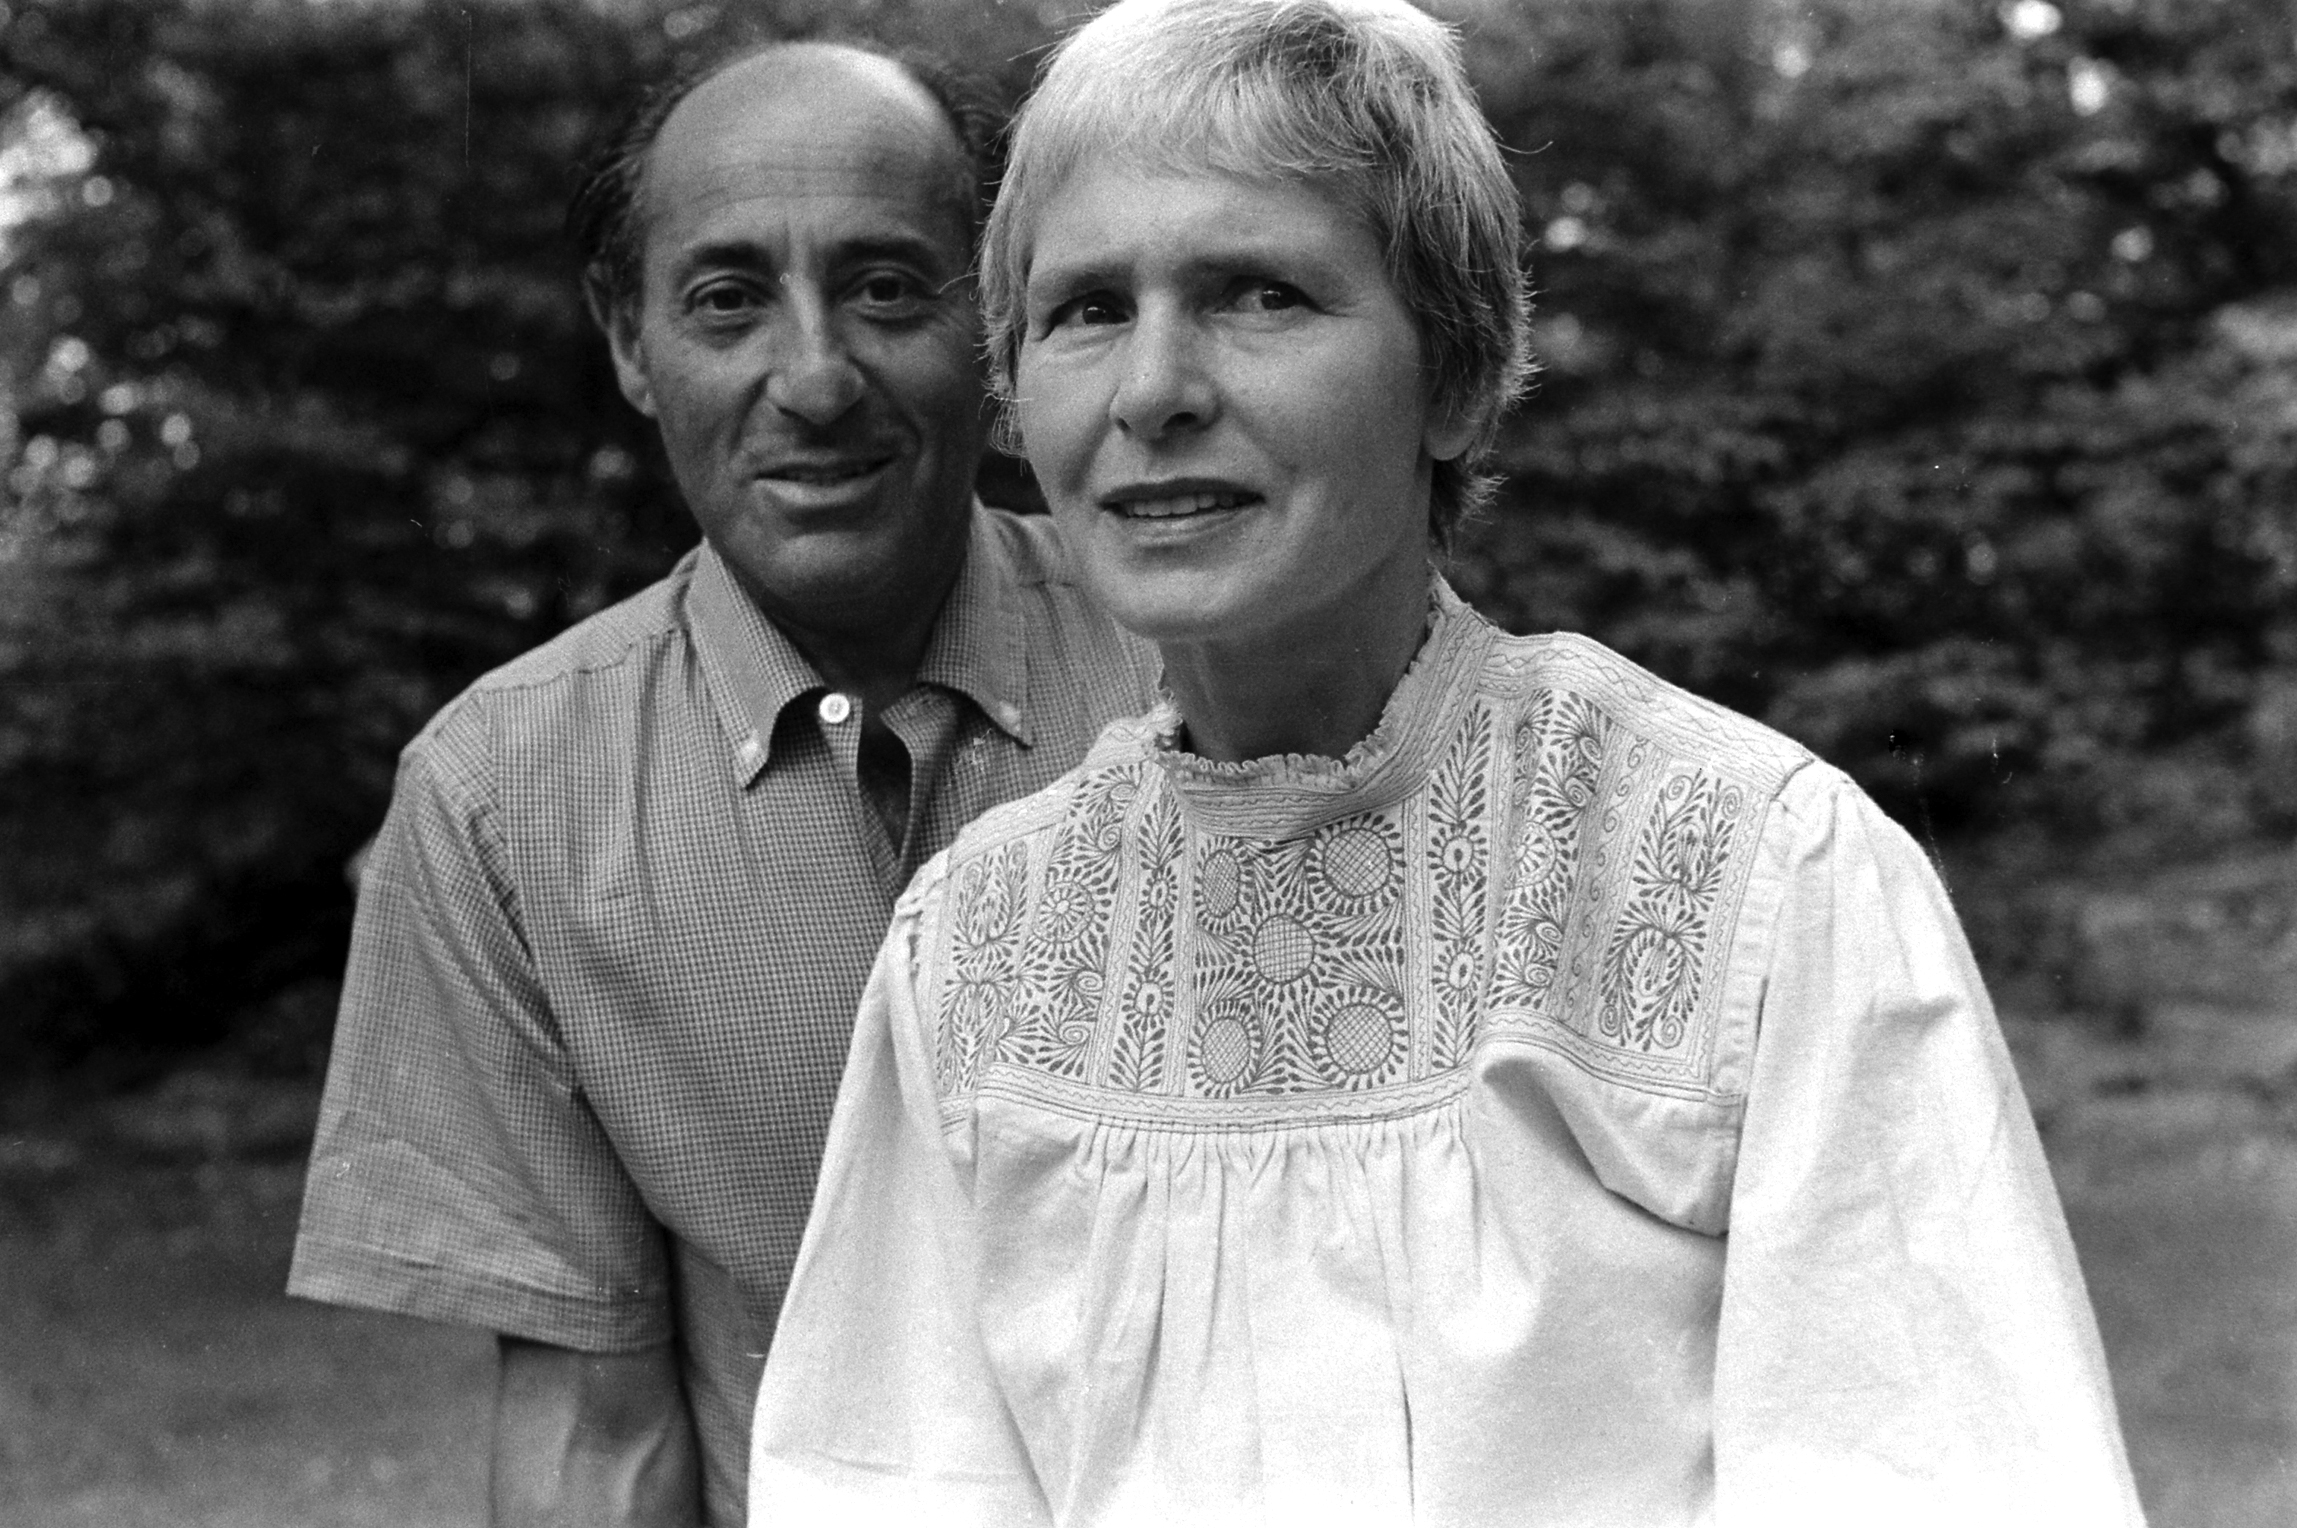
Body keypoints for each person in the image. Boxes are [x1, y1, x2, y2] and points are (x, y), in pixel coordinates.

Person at [746, 1, 2145, 1523]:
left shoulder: (1755, 873)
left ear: (1458, 377)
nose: (1152, 389)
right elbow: (884, 1478)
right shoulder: (977, 948)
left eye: (1258, 292)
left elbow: (1936, 1477)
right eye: (1085, 309)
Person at [288, 38, 1158, 1528]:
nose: (813, 378)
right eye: (725, 299)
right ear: (631, 346)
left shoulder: (1199, 669)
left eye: (890, 286)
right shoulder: (502, 804)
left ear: (997, 319)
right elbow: (596, 1428)